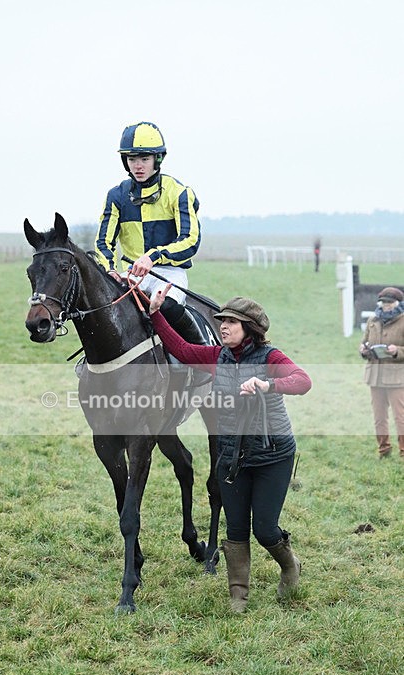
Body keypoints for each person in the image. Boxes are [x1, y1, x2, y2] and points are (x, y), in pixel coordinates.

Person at [149, 286, 312, 613]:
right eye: (221, 320)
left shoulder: (270, 358)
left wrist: (268, 384)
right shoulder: (217, 358)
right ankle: (239, 595)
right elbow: (181, 349)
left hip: (272, 455)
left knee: (264, 529)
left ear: (249, 328)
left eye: (231, 322)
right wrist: (154, 314)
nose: (222, 326)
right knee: (235, 528)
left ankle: (289, 565)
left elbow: (302, 380)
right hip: (232, 457)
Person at [95, 121, 204, 341]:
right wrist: (109, 270)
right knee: (101, 308)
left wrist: (153, 257)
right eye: (132, 159)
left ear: (158, 159)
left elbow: (190, 240)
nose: (138, 166)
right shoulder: (116, 196)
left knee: (167, 307)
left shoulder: (180, 193)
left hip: (169, 274)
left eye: (144, 159)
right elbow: (103, 243)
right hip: (133, 276)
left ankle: (200, 353)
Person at [359, 286, 404, 458]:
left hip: (397, 378)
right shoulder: (373, 320)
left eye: (390, 302)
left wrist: (396, 351)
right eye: (384, 302)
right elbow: (364, 342)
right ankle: (383, 449)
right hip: (375, 376)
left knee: (400, 417)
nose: (386, 305)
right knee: (379, 417)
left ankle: (403, 451)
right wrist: (363, 349)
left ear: (398, 303)